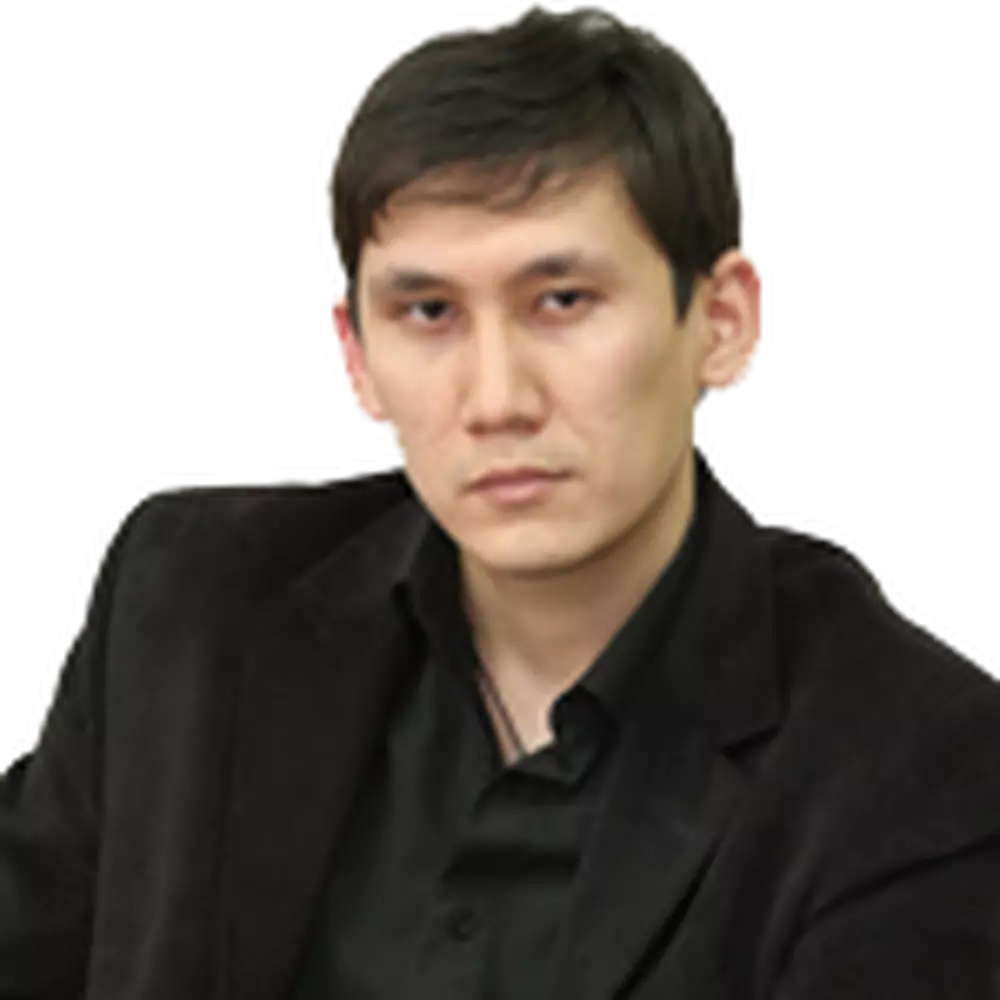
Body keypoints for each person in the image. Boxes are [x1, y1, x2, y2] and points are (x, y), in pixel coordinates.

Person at [3, 2, 999, 998]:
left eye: (562, 301)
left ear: (725, 320)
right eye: (429, 312)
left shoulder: (916, 762)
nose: (496, 400)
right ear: (354, 357)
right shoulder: (195, 604)